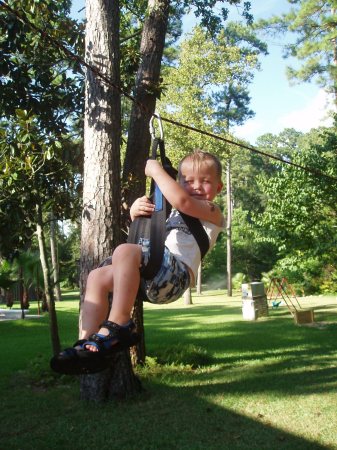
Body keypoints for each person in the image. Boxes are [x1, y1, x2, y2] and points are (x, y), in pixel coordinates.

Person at [51, 149, 225, 375]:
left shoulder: (212, 211)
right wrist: (136, 213)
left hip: (175, 278)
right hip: (154, 275)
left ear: (219, 188)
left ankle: (118, 324)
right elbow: (148, 234)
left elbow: (182, 201)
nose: (196, 187)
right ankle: (87, 344)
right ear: (179, 181)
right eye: (188, 180)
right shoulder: (172, 212)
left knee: (125, 250)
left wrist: (156, 171)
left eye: (205, 181)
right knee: (97, 277)